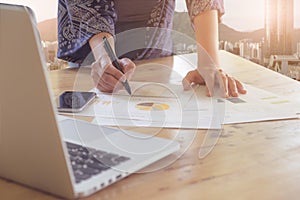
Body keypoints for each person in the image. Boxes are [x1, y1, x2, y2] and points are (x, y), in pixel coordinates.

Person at [57, 0, 247, 97]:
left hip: (157, 63)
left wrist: (209, 64)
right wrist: (105, 59)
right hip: (93, 64)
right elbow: (89, 7)